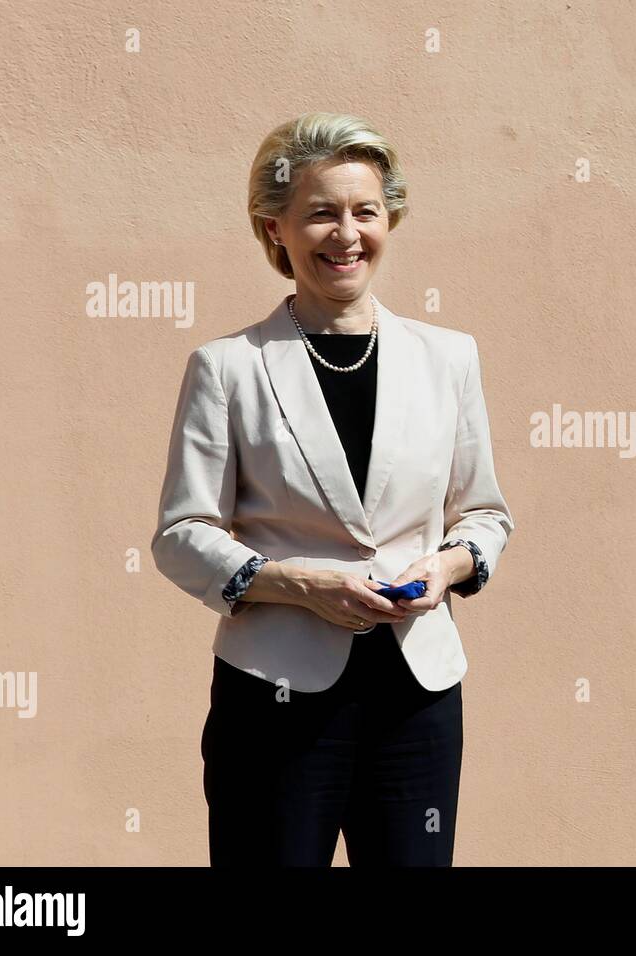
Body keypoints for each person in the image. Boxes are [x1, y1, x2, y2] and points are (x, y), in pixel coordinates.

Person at [151, 112, 513, 866]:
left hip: (416, 701)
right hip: (273, 705)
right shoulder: (228, 367)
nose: (346, 234)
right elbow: (182, 535)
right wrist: (295, 583)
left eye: (365, 211)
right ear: (274, 228)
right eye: (320, 212)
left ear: (390, 219)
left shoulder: (449, 358)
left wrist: (444, 569)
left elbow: (483, 513)